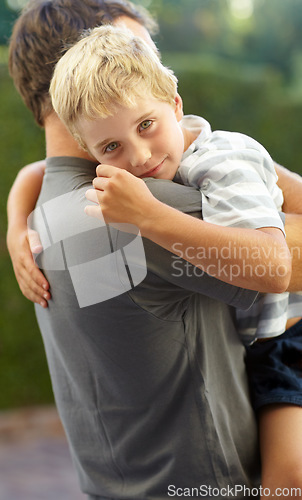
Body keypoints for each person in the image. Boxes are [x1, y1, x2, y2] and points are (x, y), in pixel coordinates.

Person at [6, 1, 302, 498]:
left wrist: (16, 208)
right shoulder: (138, 207)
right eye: (137, 51)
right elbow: (275, 265)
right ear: (80, 72)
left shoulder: (46, 216)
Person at [49, 24, 301, 347]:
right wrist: (18, 219)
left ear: (176, 104)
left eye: (145, 125)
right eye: (112, 147)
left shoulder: (223, 160)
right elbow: (47, 168)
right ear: (90, 153)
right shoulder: (168, 158)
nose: (139, 157)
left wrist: (149, 216)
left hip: (286, 340)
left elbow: (276, 268)